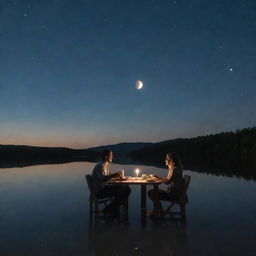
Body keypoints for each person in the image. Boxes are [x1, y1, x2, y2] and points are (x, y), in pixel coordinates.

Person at [91, 149, 131, 216]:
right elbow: (102, 179)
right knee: (125, 190)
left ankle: (113, 209)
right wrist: (115, 175)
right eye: (111, 155)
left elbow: (109, 176)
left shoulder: (105, 165)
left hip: (104, 189)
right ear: (106, 156)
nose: (112, 157)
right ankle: (109, 209)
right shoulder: (99, 165)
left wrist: (119, 177)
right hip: (99, 192)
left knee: (124, 188)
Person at [147, 152, 184, 217]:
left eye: (166, 159)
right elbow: (167, 179)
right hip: (172, 192)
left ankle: (157, 211)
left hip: (173, 195)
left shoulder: (175, 169)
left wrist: (157, 179)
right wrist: (158, 177)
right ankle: (159, 210)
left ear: (170, 160)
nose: (165, 160)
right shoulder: (173, 169)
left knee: (152, 193)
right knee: (152, 192)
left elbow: (167, 182)